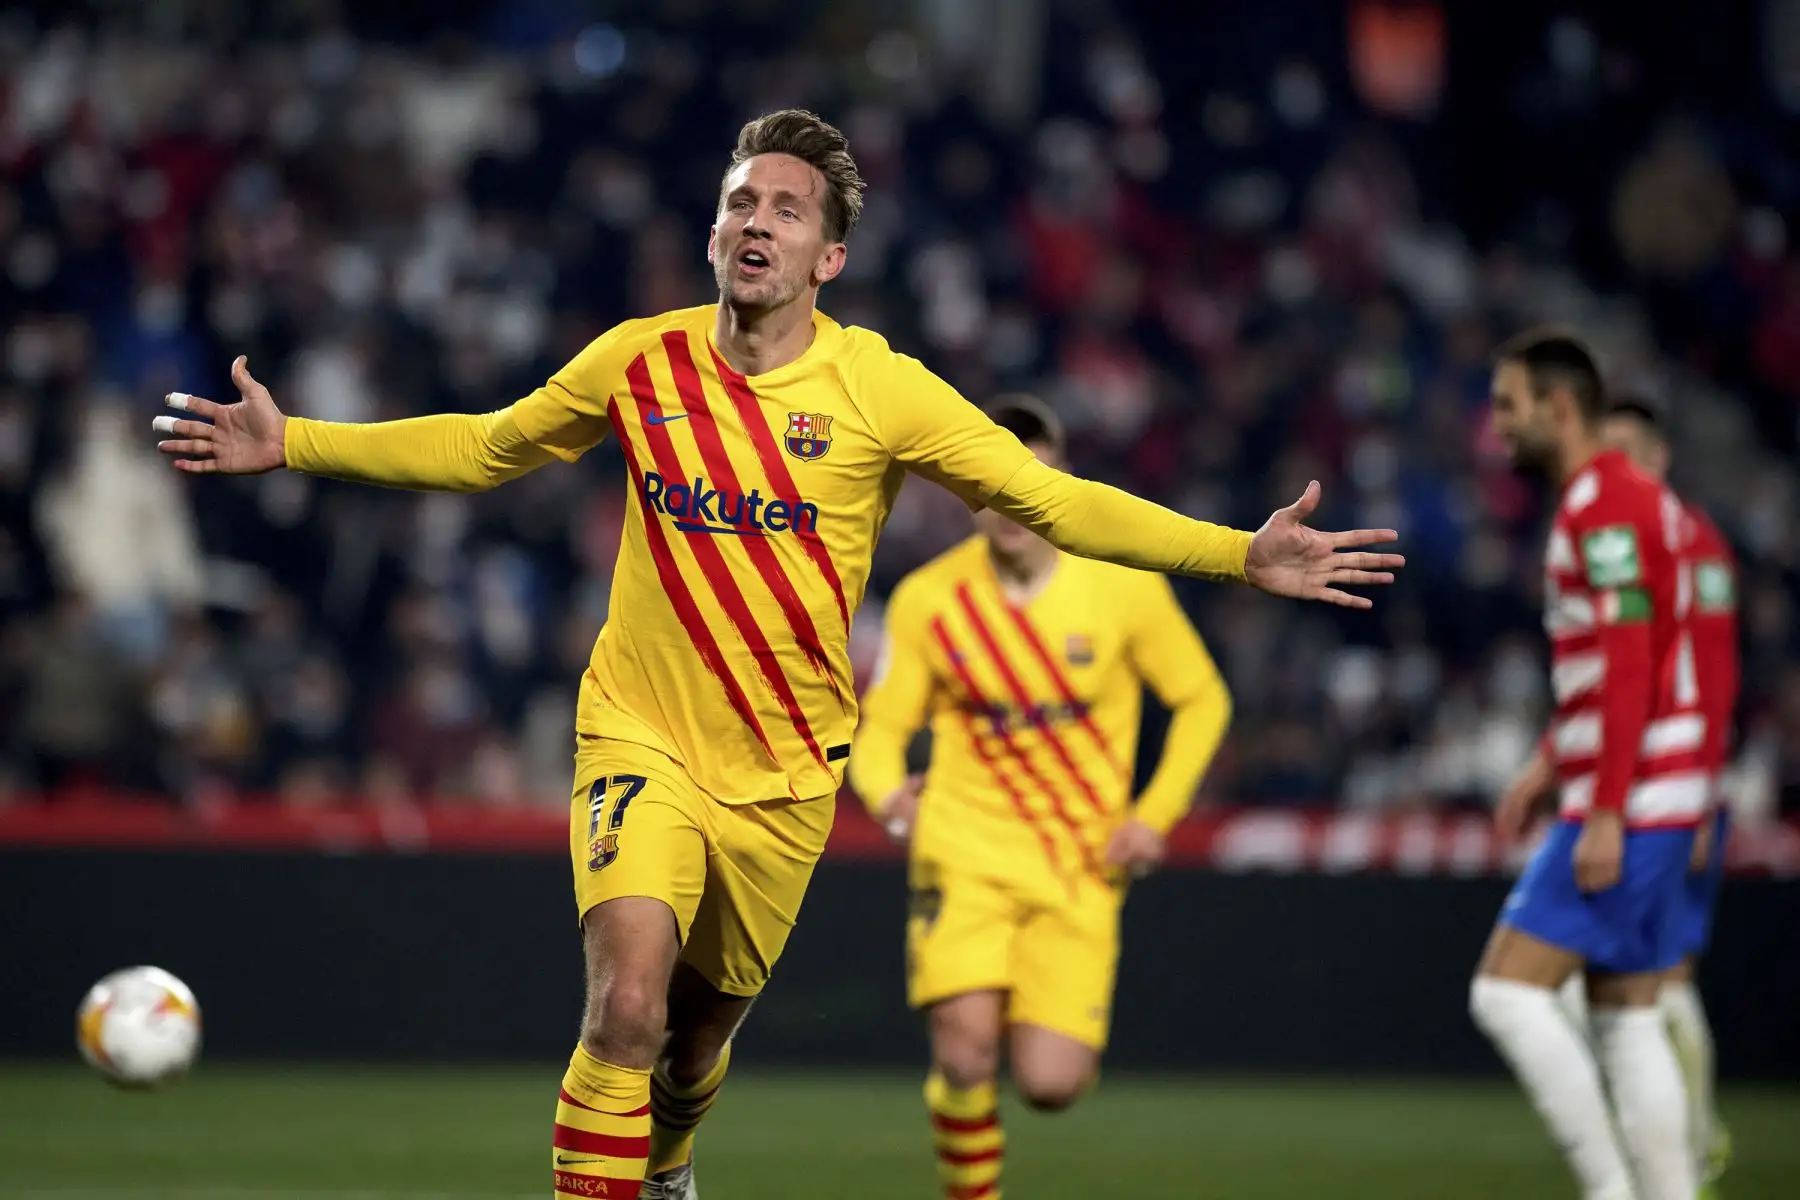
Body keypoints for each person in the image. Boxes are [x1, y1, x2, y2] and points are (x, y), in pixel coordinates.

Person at [151, 109, 1402, 1200]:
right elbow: (485, 449)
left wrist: (1243, 552)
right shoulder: (639, 363)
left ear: (830, 256)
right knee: (625, 1006)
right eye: (741, 202)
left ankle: (673, 1162)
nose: (759, 221)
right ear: (712, 234)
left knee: (690, 1047)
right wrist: (297, 442)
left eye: (789, 210)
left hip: (789, 776)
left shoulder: (882, 392)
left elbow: (1051, 503)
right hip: (639, 735)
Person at [849, 395, 1232, 1200]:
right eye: (994, 483)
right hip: (964, 855)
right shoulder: (929, 600)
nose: (1012, 502)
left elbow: (1203, 700)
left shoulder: (1122, 589)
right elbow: (878, 731)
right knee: (963, 1053)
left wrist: (1154, 816)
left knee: (1052, 1083)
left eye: (1032, 479)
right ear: (969, 492)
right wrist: (891, 801)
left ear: (1060, 483)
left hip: (1080, 866)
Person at [1474, 330, 1702, 1200]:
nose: (1496, 428)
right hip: (1661, 785)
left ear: (1559, 409)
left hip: (1634, 796)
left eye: (1508, 405)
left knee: (1505, 993)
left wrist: (1601, 807)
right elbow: (1622, 656)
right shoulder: (1624, 497)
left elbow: (1632, 655)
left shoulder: (1601, 503)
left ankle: (1611, 1192)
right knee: (1625, 1017)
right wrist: (1548, 759)